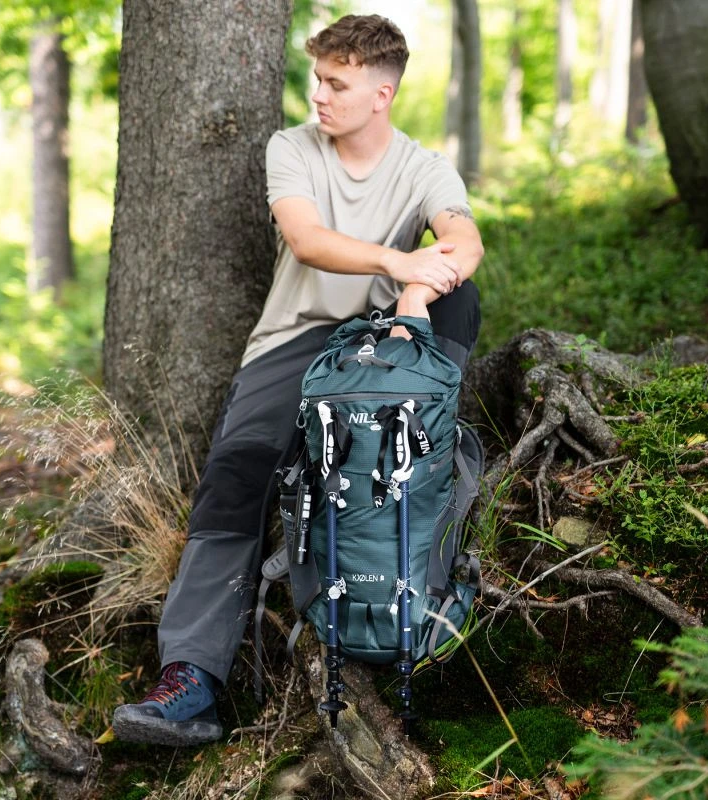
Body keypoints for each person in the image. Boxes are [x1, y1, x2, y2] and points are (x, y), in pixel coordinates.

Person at [112, 13, 484, 747]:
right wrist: (397, 262)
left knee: (458, 297)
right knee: (234, 478)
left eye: (337, 84)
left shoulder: (424, 167)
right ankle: (191, 679)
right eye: (318, 79)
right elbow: (307, 240)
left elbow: (463, 242)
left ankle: (414, 511)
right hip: (294, 343)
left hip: (383, 345)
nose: (319, 95)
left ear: (381, 94)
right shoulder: (292, 148)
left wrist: (414, 295)